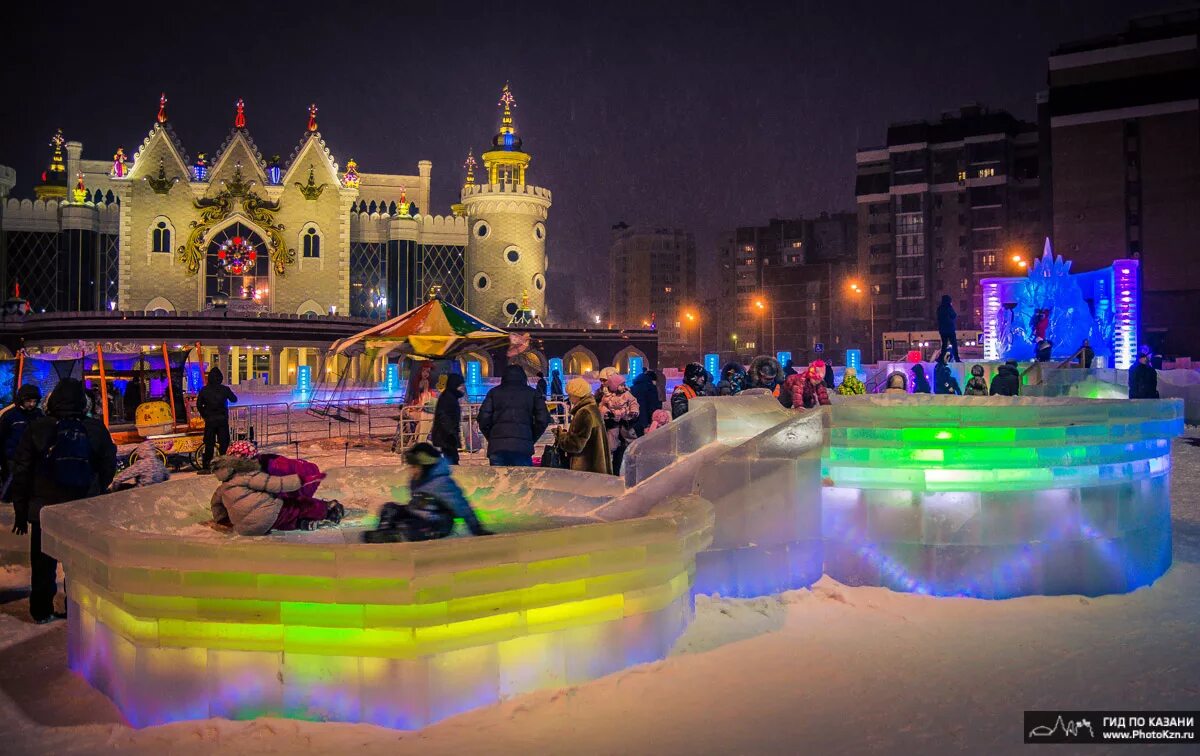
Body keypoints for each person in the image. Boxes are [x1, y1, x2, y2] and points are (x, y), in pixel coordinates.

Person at [10, 378, 117, 623]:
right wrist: (96, 489)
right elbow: (108, 463)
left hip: (44, 509)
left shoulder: (38, 427)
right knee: (78, 563)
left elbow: (22, 470)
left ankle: (41, 610)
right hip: (82, 508)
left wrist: (21, 509)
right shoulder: (95, 428)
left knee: (42, 562)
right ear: (83, 401)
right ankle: (76, 608)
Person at [362, 442, 491, 542]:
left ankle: (397, 535)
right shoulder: (418, 478)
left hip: (437, 524)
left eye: (414, 467)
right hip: (418, 515)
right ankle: (383, 532)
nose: (411, 470)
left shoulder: (441, 483)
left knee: (407, 527)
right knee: (390, 508)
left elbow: (462, 507)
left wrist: (477, 530)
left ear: (425, 465)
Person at [210, 440, 343, 535]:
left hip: (245, 529)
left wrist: (224, 520)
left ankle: (300, 524)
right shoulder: (251, 476)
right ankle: (328, 510)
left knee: (278, 519)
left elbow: (215, 504)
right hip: (266, 517)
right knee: (296, 506)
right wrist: (303, 480)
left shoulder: (224, 485)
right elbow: (279, 484)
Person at [477, 364, 551, 467]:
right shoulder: (532, 393)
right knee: (522, 480)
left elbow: (483, 419)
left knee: (499, 480)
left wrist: (493, 437)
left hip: (498, 447)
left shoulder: (494, 393)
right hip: (522, 447)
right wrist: (530, 437)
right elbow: (543, 419)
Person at [555, 378, 612, 474]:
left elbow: (575, 445)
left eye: (570, 395)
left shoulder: (584, 412)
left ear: (577, 394)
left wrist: (560, 436)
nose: (569, 398)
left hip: (586, 468)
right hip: (596, 465)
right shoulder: (592, 408)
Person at [0, 384, 43, 501]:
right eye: (28, 401)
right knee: (13, 487)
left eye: (35, 401)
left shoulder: (38, 415)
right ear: (21, 400)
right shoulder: (10, 416)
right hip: (14, 458)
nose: (32, 404)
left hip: (33, 456)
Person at [197, 366, 237, 472]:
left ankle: (206, 466)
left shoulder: (204, 390)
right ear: (220, 378)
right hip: (222, 420)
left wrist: (205, 414)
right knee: (223, 443)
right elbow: (234, 399)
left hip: (210, 420)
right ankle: (223, 465)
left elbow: (199, 405)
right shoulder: (225, 389)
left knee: (209, 444)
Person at [598, 373, 639, 473]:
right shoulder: (607, 396)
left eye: (623, 384)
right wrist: (606, 413)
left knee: (629, 437)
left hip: (626, 419)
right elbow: (602, 406)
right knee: (612, 439)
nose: (623, 386)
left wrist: (634, 411)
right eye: (621, 385)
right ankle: (611, 457)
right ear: (614, 386)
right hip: (613, 420)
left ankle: (633, 456)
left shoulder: (627, 394)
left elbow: (634, 402)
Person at [430, 372, 465, 464]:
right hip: (447, 437)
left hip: (447, 436)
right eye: (460, 385)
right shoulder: (448, 398)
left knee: (451, 459)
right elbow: (444, 417)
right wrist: (451, 433)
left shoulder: (450, 396)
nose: (463, 388)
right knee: (452, 460)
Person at [629, 369, 661, 435]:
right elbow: (653, 405)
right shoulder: (651, 388)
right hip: (647, 421)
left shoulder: (632, 388)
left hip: (634, 419)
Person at [936, 294, 960, 362]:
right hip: (950, 329)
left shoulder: (940, 308)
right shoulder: (949, 307)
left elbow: (938, 319)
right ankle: (956, 358)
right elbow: (954, 315)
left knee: (944, 345)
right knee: (954, 344)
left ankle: (941, 358)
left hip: (943, 330)